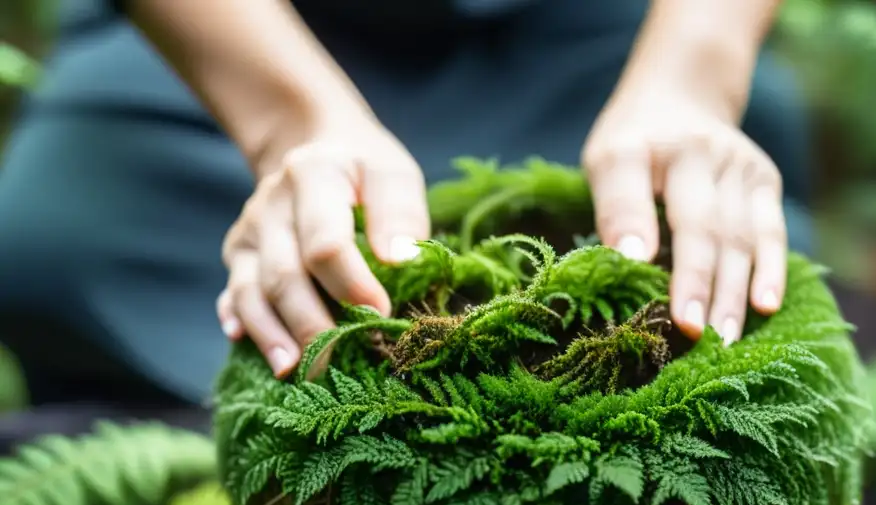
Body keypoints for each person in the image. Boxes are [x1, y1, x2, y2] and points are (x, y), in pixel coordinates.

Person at [0, 0, 815, 408]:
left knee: (744, 260)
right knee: (52, 246)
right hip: (237, 41)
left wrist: (692, 83)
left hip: (601, 38)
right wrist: (288, 126)